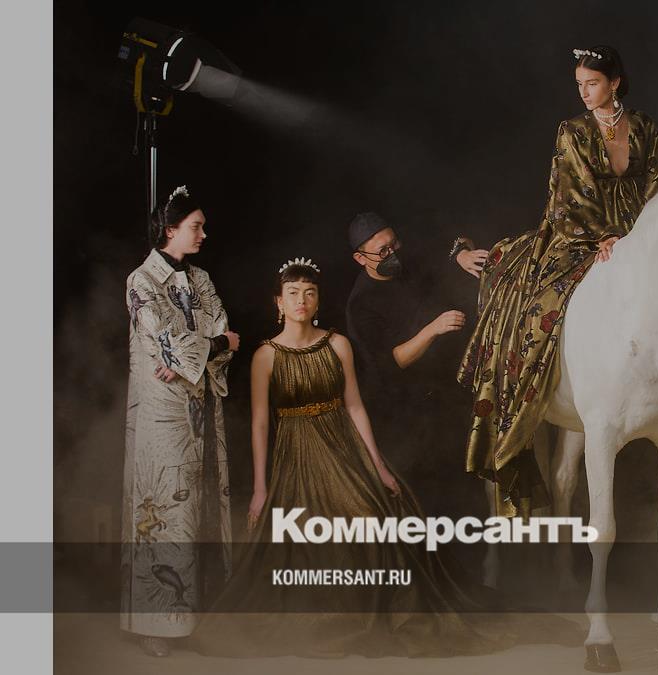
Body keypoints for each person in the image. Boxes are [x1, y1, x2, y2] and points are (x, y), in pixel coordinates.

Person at [191, 259, 578, 657]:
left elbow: (355, 407)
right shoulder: (266, 356)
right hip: (297, 455)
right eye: (292, 294)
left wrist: (378, 466)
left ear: (318, 300)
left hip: (343, 446)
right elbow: (259, 423)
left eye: (309, 293)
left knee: (375, 514)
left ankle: (375, 612)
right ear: (279, 302)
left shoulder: (337, 344)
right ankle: (329, 619)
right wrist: (260, 489)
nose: (301, 301)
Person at [457, 44, 658, 516]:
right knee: (540, 309)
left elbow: (655, 185)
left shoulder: (646, 127)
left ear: (614, 82)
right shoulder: (572, 130)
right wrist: (603, 237)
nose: (584, 92)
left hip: (636, 236)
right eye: (579, 85)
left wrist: (639, 237)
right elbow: (573, 196)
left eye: (592, 83)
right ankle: (521, 388)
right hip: (578, 235)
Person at [121, 185, 240, 657]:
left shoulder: (202, 278)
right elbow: (167, 339)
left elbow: (219, 328)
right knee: (163, 509)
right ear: (170, 230)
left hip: (201, 407)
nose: (203, 234)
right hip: (162, 414)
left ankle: (195, 616)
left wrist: (197, 351)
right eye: (196, 226)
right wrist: (206, 347)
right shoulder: (141, 280)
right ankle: (155, 625)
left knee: (197, 508)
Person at [344, 212, 482, 515]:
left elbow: (453, 243)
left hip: (447, 395)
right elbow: (392, 362)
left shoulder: (407, 260)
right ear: (360, 258)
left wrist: (462, 254)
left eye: (393, 244)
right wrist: (433, 329)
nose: (392, 253)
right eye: (382, 251)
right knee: (432, 500)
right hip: (406, 414)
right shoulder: (361, 305)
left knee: (468, 487)